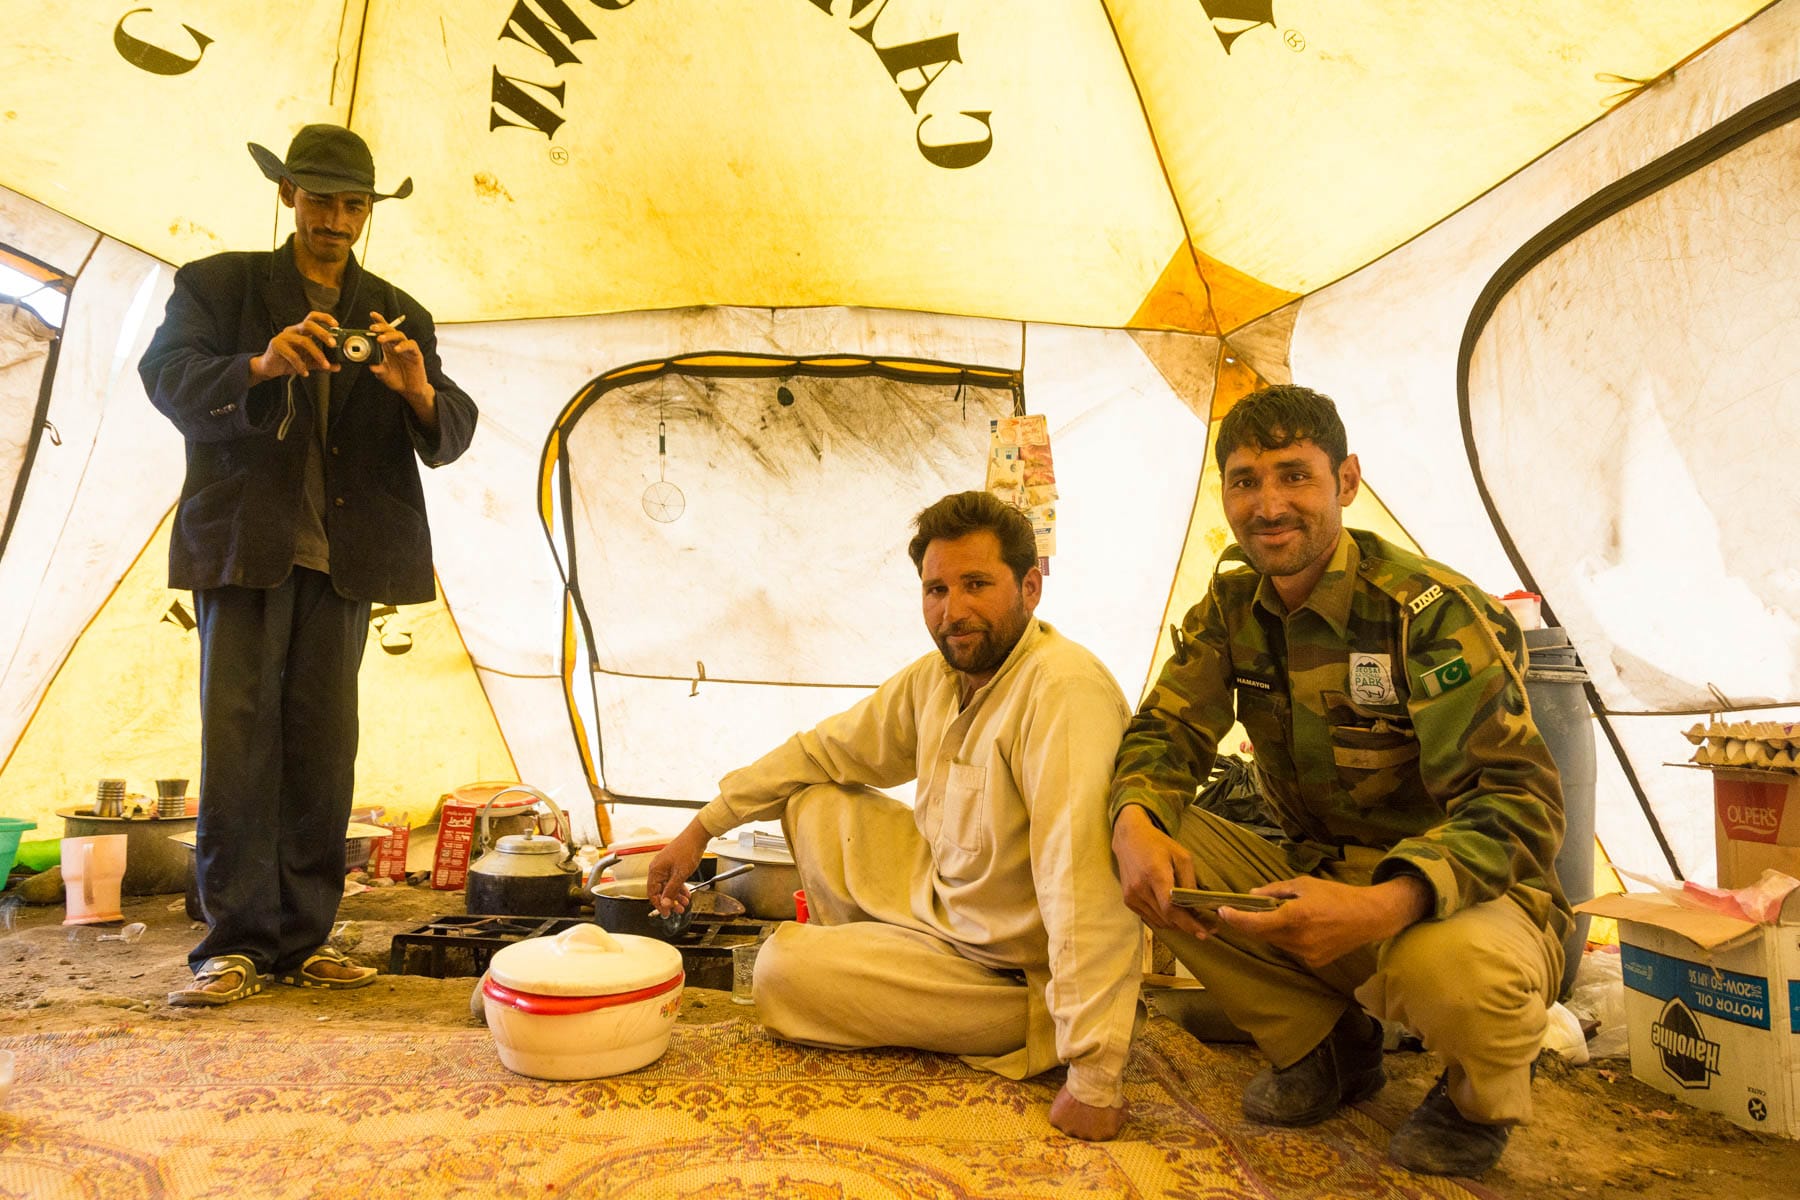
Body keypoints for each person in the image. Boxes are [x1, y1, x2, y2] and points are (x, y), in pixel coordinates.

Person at [1108, 385, 1567, 1176]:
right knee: (1127, 827)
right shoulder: (1232, 606)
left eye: (1295, 476)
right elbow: (1167, 730)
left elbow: (1519, 805)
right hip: (1316, 884)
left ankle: (1472, 1096)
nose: (1269, 504)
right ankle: (1327, 1045)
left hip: (1460, 904)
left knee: (1449, 973)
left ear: (1346, 482)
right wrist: (1135, 821)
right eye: (1246, 480)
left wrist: (1382, 903)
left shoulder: (1426, 610)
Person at [644, 491, 1142, 1141]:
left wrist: (1096, 1077)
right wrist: (702, 826)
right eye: (936, 589)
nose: (953, 610)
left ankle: (870, 984)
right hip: (946, 912)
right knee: (815, 799)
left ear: (1030, 588)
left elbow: (1084, 890)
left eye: (975, 584)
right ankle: (869, 973)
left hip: (1013, 980)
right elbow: (821, 749)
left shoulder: (1062, 692)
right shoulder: (940, 677)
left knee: (780, 972)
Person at [140, 125, 477, 1006]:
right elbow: (168, 377)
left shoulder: (396, 310)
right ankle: (236, 940)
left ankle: (302, 937)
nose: (336, 218)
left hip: (346, 558)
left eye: (353, 204)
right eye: (320, 198)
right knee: (240, 740)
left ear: (369, 211)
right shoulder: (217, 285)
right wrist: (259, 363)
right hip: (247, 546)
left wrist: (413, 385)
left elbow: (450, 432)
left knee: (324, 747)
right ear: (287, 195)